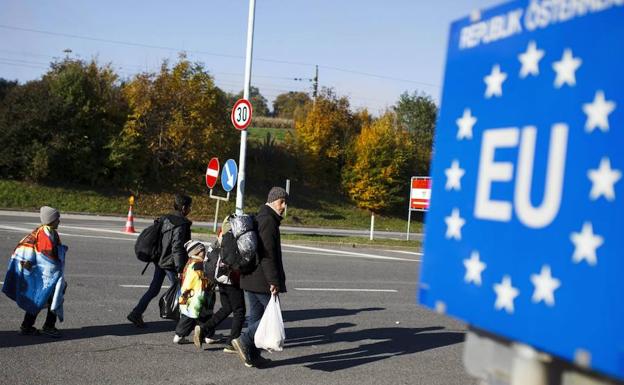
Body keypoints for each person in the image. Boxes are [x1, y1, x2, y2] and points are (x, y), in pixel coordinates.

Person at [232, 187, 288, 368]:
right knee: (270, 318)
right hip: (262, 279)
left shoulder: (260, 217)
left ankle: (252, 355)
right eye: (281, 202)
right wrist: (274, 281)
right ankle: (243, 340)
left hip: (250, 277)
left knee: (256, 316)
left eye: (285, 202)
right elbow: (267, 255)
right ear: (272, 201)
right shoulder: (268, 221)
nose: (284, 206)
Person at [127, 194, 192, 328]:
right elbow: (177, 247)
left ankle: (136, 313)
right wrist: (180, 269)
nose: (190, 210)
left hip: (159, 260)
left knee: (154, 289)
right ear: (184, 207)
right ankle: (183, 323)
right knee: (181, 289)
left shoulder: (165, 218)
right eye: (189, 207)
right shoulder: (181, 223)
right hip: (170, 263)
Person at [2, 206, 67, 338]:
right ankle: (48, 326)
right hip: (45, 275)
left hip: (41, 273)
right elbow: (46, 257)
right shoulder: (45, 234)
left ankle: (26, 326)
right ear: (51, 220)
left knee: (39, 298)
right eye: (57, 218)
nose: (59, 221)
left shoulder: (47, 231)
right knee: (51, 296)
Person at [193, 220, 246, 353]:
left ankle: (204, 329)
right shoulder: (233, 240)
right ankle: (231, 343)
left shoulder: (220, 238)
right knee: (239, 311)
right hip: (230, 280)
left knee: (227, 307)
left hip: (219, 279)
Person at [173, 240, 217, 344]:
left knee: (190, 316)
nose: (204, 252)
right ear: (196, 252)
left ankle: (180, 335)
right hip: (198, 295)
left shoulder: (189, 262)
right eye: (202, 250)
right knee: (200, 316)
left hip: (188, 295)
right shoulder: (199, 265)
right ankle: (206, 335)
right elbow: (202, 280)